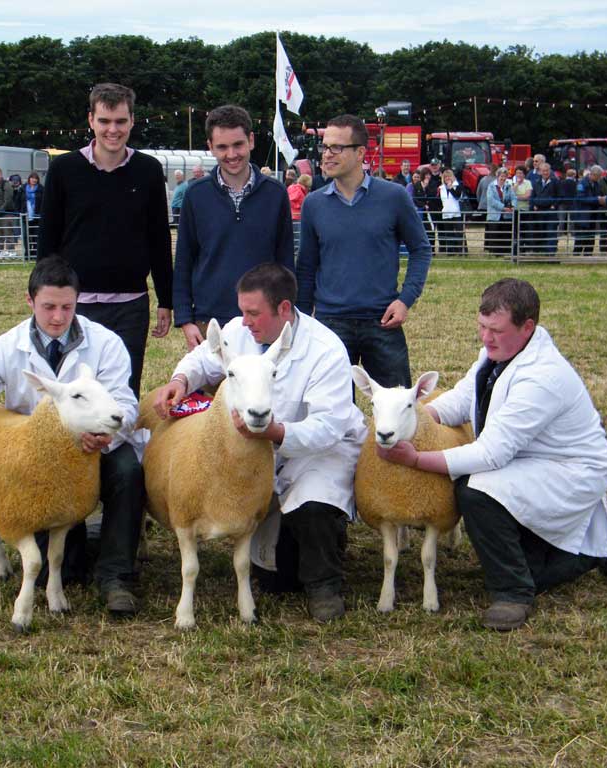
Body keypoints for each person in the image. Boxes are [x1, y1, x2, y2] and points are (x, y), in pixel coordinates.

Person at [376, 278, 607, 631]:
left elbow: (491, 453)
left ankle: (514, 592)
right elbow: (461, 399)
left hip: (567, 472)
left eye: (496, 330)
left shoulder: (542, 377)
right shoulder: (498, 353)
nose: (486, 338)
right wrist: (411, 417)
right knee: (525, 552)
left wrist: (414, 459)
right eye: (482, 326)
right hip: (528, 465)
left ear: (527, 327)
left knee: (474, 489)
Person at [0, 258, 146, 616]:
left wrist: (105, 438)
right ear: (30, 302)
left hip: (97, 447)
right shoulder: (8, 347)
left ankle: (115, 575)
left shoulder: (105, 344)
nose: (58, 317)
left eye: (67, 307)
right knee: (60, 566)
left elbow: (123, 403)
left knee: (127, 472)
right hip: (37, 461)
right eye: (48, 307)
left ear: (78, 302)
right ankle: (73, 552)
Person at [153, 263, 366, 622]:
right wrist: (181, 379)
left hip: (315, 452)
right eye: (242, 311)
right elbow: (206, 358)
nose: (245, 321)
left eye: (253, 313)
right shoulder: (240, 330)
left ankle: (324, 584)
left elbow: (329, 426)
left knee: (313, 505)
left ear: (283, 309)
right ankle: (289, 553)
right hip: (259, 454)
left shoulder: (326, 349)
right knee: (275, 580)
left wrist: (276, 433)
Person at [38, 82, 173, 398]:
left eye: (120, 122)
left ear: (132, 121)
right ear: (90, 120)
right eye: (105, 121)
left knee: (123, 389)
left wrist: (166, 299)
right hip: (75, 304)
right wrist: (44, 294)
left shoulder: (149, 170)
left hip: (130, 306)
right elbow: (48, 239)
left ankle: (120, 448)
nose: (113, 130)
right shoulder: (63, 169)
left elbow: (158, 238)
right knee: (73, 389)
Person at [297, 114, 432, 388]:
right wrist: (301, 320)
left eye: (337, 147)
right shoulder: (313, 205)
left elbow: (421, 249)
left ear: (360, 153)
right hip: (329, 324)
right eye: (325, 147)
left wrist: (405, 300)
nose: (327, 154)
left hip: (382, 321)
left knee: (396, 411)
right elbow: (307, 266)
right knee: (331, 415)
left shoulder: (394, 197)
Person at [173, 104, 295, 351]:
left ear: (250, 140)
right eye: (222, 147)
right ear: (210, 147)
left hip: (264, 319)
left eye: (237, 144)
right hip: (211, 319)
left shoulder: (275, 194)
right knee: (209, 389)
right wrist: (185, 319)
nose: (231, 154)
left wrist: (288, 311)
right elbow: (184, 260)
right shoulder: (196, 195)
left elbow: (285, 261)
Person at [530, 162, 561, 255]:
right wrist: (533, 205)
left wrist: (554, 205)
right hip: (538, 211)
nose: (545, 172)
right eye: (543, 171)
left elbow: (559, 196)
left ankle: (551, 253)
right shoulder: (536, 182)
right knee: (540, 231)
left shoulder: (555, 182)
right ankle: (541, 252)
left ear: (550, 171)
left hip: (550, 211)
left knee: (551, 232)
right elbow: (533, 195)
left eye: (547, 170)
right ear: (540, 172)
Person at [484, 167, 516, 257]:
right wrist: (503, 207)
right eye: (501, 176)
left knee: (505, 234)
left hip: (506, 215)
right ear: (497, 176)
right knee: (495, 234)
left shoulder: (508, 186)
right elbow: (491, 200)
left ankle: (506, 252)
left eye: (505, 176)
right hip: (494, 215)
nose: (503, 178)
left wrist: (513, 206)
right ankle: (495, 253)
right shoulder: (491, 186)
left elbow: (513, 197)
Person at [437, 168, 467, 255]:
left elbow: (457, 196)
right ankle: (450, 252)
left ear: (452, 176)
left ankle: (462, 251)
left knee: (459, 233)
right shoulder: (441, 188)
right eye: (445, 177)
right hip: (446, 213)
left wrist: (450, 188)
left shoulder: (458, 185)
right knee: (449, 233)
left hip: (456, 213)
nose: (447, 178)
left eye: (449, 176)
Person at [23, 172, 44, 256]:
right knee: (26, 236)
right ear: (29, 179)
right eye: (32, 178)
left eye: (36, 178)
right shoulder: (23, 188)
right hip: (25, 216)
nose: (34, 180)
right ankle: (27, 253)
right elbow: (17, 200)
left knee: (36, 236)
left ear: (37, 180)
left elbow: (44, 202)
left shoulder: (41, 189)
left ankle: (35, 253)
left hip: (37, 217)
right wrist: (20, 210)